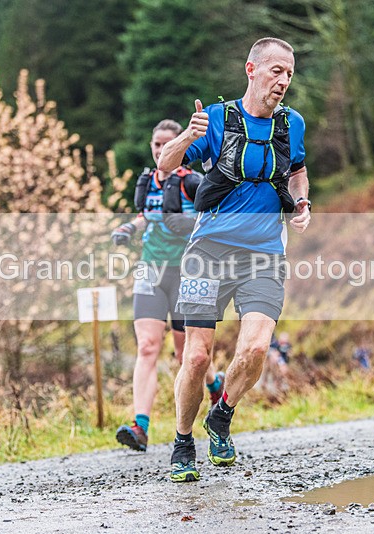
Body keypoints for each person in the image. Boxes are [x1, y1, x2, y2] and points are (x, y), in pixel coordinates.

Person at [157, 37, 311, 482]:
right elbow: (167, 165)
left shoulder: (292, 124)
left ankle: (221, 416)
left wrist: (301, 203)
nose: (282, 81)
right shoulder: (219, 119)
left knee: (257, 347)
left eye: (288, 74)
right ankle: (183, 441)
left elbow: (297, 172)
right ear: (251, 70)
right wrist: (189, 134)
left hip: (264, 253)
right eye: (275, 71)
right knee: (198, 357)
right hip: (209, 251)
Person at [110, 119, 224, 453]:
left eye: (167, 144)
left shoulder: (192, 182)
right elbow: (148, 214)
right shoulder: (148, 182)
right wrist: (129, 227)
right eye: (157, 144)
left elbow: (215, 220)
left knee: (185, 355)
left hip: (189, 272)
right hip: (151, 269)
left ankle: (216, 386)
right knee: (147, 346)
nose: (161, 150)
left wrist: (186, 224)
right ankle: (140, 426)